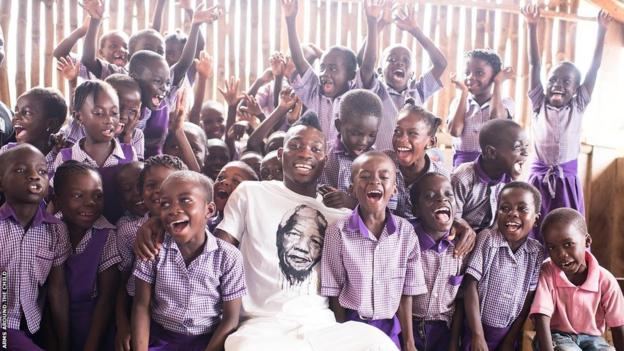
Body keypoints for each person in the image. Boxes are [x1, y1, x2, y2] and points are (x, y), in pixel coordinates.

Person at [134, 114, 398, 350]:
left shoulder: (336, 215)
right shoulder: (252, 193)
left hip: (320, 325)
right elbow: (213, 247)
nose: (305, 153)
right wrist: (160, 223)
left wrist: (355, 204)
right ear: (282, 154)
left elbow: (375, 239)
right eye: (295, 146)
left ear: (324, 159)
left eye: (315, 148)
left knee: (377, 343)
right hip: (261, 327)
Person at [321, 151, 427, 350]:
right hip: (352, 325)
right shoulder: (337, 231)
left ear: (394, 189)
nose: (375, 181)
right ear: (352, 188)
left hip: (389, 327)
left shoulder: (406, 233)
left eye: (384, 177)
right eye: (365, 176)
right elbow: (333, 291)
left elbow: (407, 293)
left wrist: (409, 342)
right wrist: (341, 334)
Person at [132, 171, 246, 351]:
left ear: (209, 210)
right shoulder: (154, 248)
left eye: (185, 200)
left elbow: (230, 318)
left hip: (207, 341)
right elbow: (141, 305)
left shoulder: (228, 257)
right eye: (165, 204)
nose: (173, 209)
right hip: (159, 338)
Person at [522, 6, 611, 232]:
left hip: (566, 181)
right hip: (539, 179)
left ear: (576, 90)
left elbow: (594, 68)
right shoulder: (538, 104)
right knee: (535, 228)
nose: (558, 85)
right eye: (553, 80)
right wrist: (532, 27)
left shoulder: (578, 105)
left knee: (567, 229)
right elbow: (534, 64)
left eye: (566, 82)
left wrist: (601, 32)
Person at [0, 145, 70, 350]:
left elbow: (57, 290)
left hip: (32, 324)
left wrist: (65, 343)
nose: (34, 176)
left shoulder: (56, 230)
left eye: (42, 171)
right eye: (21, 170)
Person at [283, 0, 382, 143]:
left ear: (351, 75)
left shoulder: (357, 95)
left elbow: (368, 65)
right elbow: (299, 61)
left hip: (348, 164)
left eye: (333, 68)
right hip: (319, 161)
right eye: (322, 67)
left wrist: (372, 21)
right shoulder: (314, 94)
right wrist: (290, 20)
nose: (324, 73)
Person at [463, 182, 544, 350]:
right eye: (505, 208)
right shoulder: (487, 239)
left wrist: (509, 341)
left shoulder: (536, 252)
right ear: (497, 213)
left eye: (522, 209)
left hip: (507, 335)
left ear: (536, 219)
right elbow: (470, 285)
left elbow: (526, 303)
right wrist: (477, 335)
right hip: (475, 330)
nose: (513, 213)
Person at [531, 208, 624, 351]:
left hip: (593, 339)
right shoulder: (547, 272)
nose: (561, 254)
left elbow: (618, 325)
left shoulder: (605, 280)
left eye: (568, 244)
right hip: (555, 337)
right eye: (552, 247)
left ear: (587, 241)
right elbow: (541, 316)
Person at [53, 161, 120, 350]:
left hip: (95, 326)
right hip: (55, 322)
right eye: (77, 195)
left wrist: (91, 345)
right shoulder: (49, 231)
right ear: (57, 201)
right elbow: (50, 293)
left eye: (97, 196)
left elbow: (106, 298)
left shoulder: (107, 235)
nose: (90, 202)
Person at [365, 4, 447, 151]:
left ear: (412, 74)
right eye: (392, 59)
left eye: (406, 60)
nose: (400, 63)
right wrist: (378, 23)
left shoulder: (418, 91)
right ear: (379, 70)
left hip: (409, 164)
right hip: (379, 164)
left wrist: (416, 31)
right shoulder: (374, 89)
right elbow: (367, 62)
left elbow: (441, 64)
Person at [53, 80, 137, 224]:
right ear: (79, 117)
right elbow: (56, 201)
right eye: (98, 113)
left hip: (119, 231)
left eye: (114, 113)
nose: (109, 120)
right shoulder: (66, 157)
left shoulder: (128, 154)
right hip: (76, 232)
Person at [409, 173, 465, 351]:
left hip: (444, 331)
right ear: (416, 209)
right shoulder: (407, 242)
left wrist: (454, 342)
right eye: (430, 196)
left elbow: (461, 300)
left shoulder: (462, 248)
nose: (442, 199)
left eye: (449, 194)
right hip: (408, 327)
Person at [452, 119, 529, 233]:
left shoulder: (511, 183)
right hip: (460, 237)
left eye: (526, 146)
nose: (525, 153)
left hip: (490, 240)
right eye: (517, 147)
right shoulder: (463, 177)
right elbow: (452, 219)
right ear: (491, 152)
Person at [447, 49, 515, 167]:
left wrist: (498, 83)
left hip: (494, 165)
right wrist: (464, 92)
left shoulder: (506, 103)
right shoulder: (458, 103)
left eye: (479, 73)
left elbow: (496, 120)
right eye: (467, 72)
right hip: (463, 165)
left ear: (494, 76)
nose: (471, 77)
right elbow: (455, 131)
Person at [318, 89, 383, 210]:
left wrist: (353, 204)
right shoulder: (323, 153)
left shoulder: (379, 163)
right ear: (338, 126)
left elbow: (383, 206)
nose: (363, 142)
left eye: (372, 135)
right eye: (355, 133)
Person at [387, 100, 449, 220]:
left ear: (431, 142)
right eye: (397, 131)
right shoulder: (382, 163)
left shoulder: (441, 177)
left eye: (412, 133)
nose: (401, 139)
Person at [0, 87, 68, 177]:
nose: (15, 117)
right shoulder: (7, 152)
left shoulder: (61, 160)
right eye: (16, 111)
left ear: (51, 123)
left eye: (27, 113)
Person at [210, 161, 258, 232]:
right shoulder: (204, 225)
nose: (225, 181)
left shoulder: (252, 232)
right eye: (220, 177)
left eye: (236, 181)